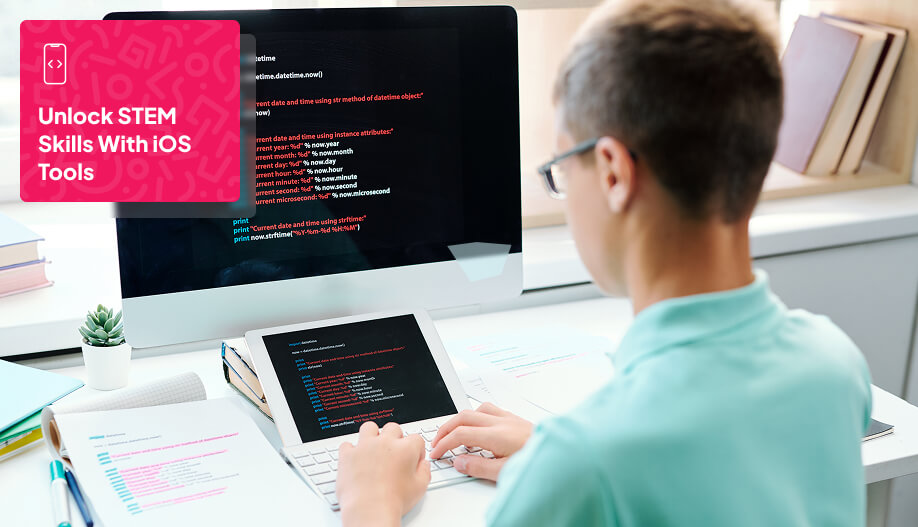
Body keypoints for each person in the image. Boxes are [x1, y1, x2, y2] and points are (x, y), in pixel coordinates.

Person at [335, 0, 873, 525]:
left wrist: (370, 505)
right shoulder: (835, 364)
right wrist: (557, 453)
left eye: (563, 168)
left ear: (613, 173)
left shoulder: (581, 465)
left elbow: (611, 463)